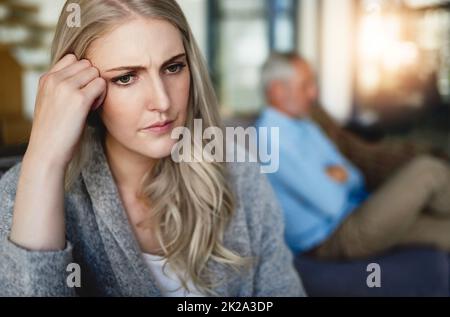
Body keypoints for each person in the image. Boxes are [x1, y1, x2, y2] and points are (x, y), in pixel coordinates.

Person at [0, 1, 304, 297]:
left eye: (173, 67)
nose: (162, 102)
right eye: (126, 78)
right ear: (80, 90)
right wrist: (43, 160)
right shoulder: (24, 193)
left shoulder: (237, 171)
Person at [256, 52, 450, 260]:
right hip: (335, 236)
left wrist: (342, 177)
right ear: (277, 91)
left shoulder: (304, 124)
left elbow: (356, 177)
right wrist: (338, 177)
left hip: (358, 209)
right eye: (305, 86)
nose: (313, 94)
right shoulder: (271, 140)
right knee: (427, 170)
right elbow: (333, 203)